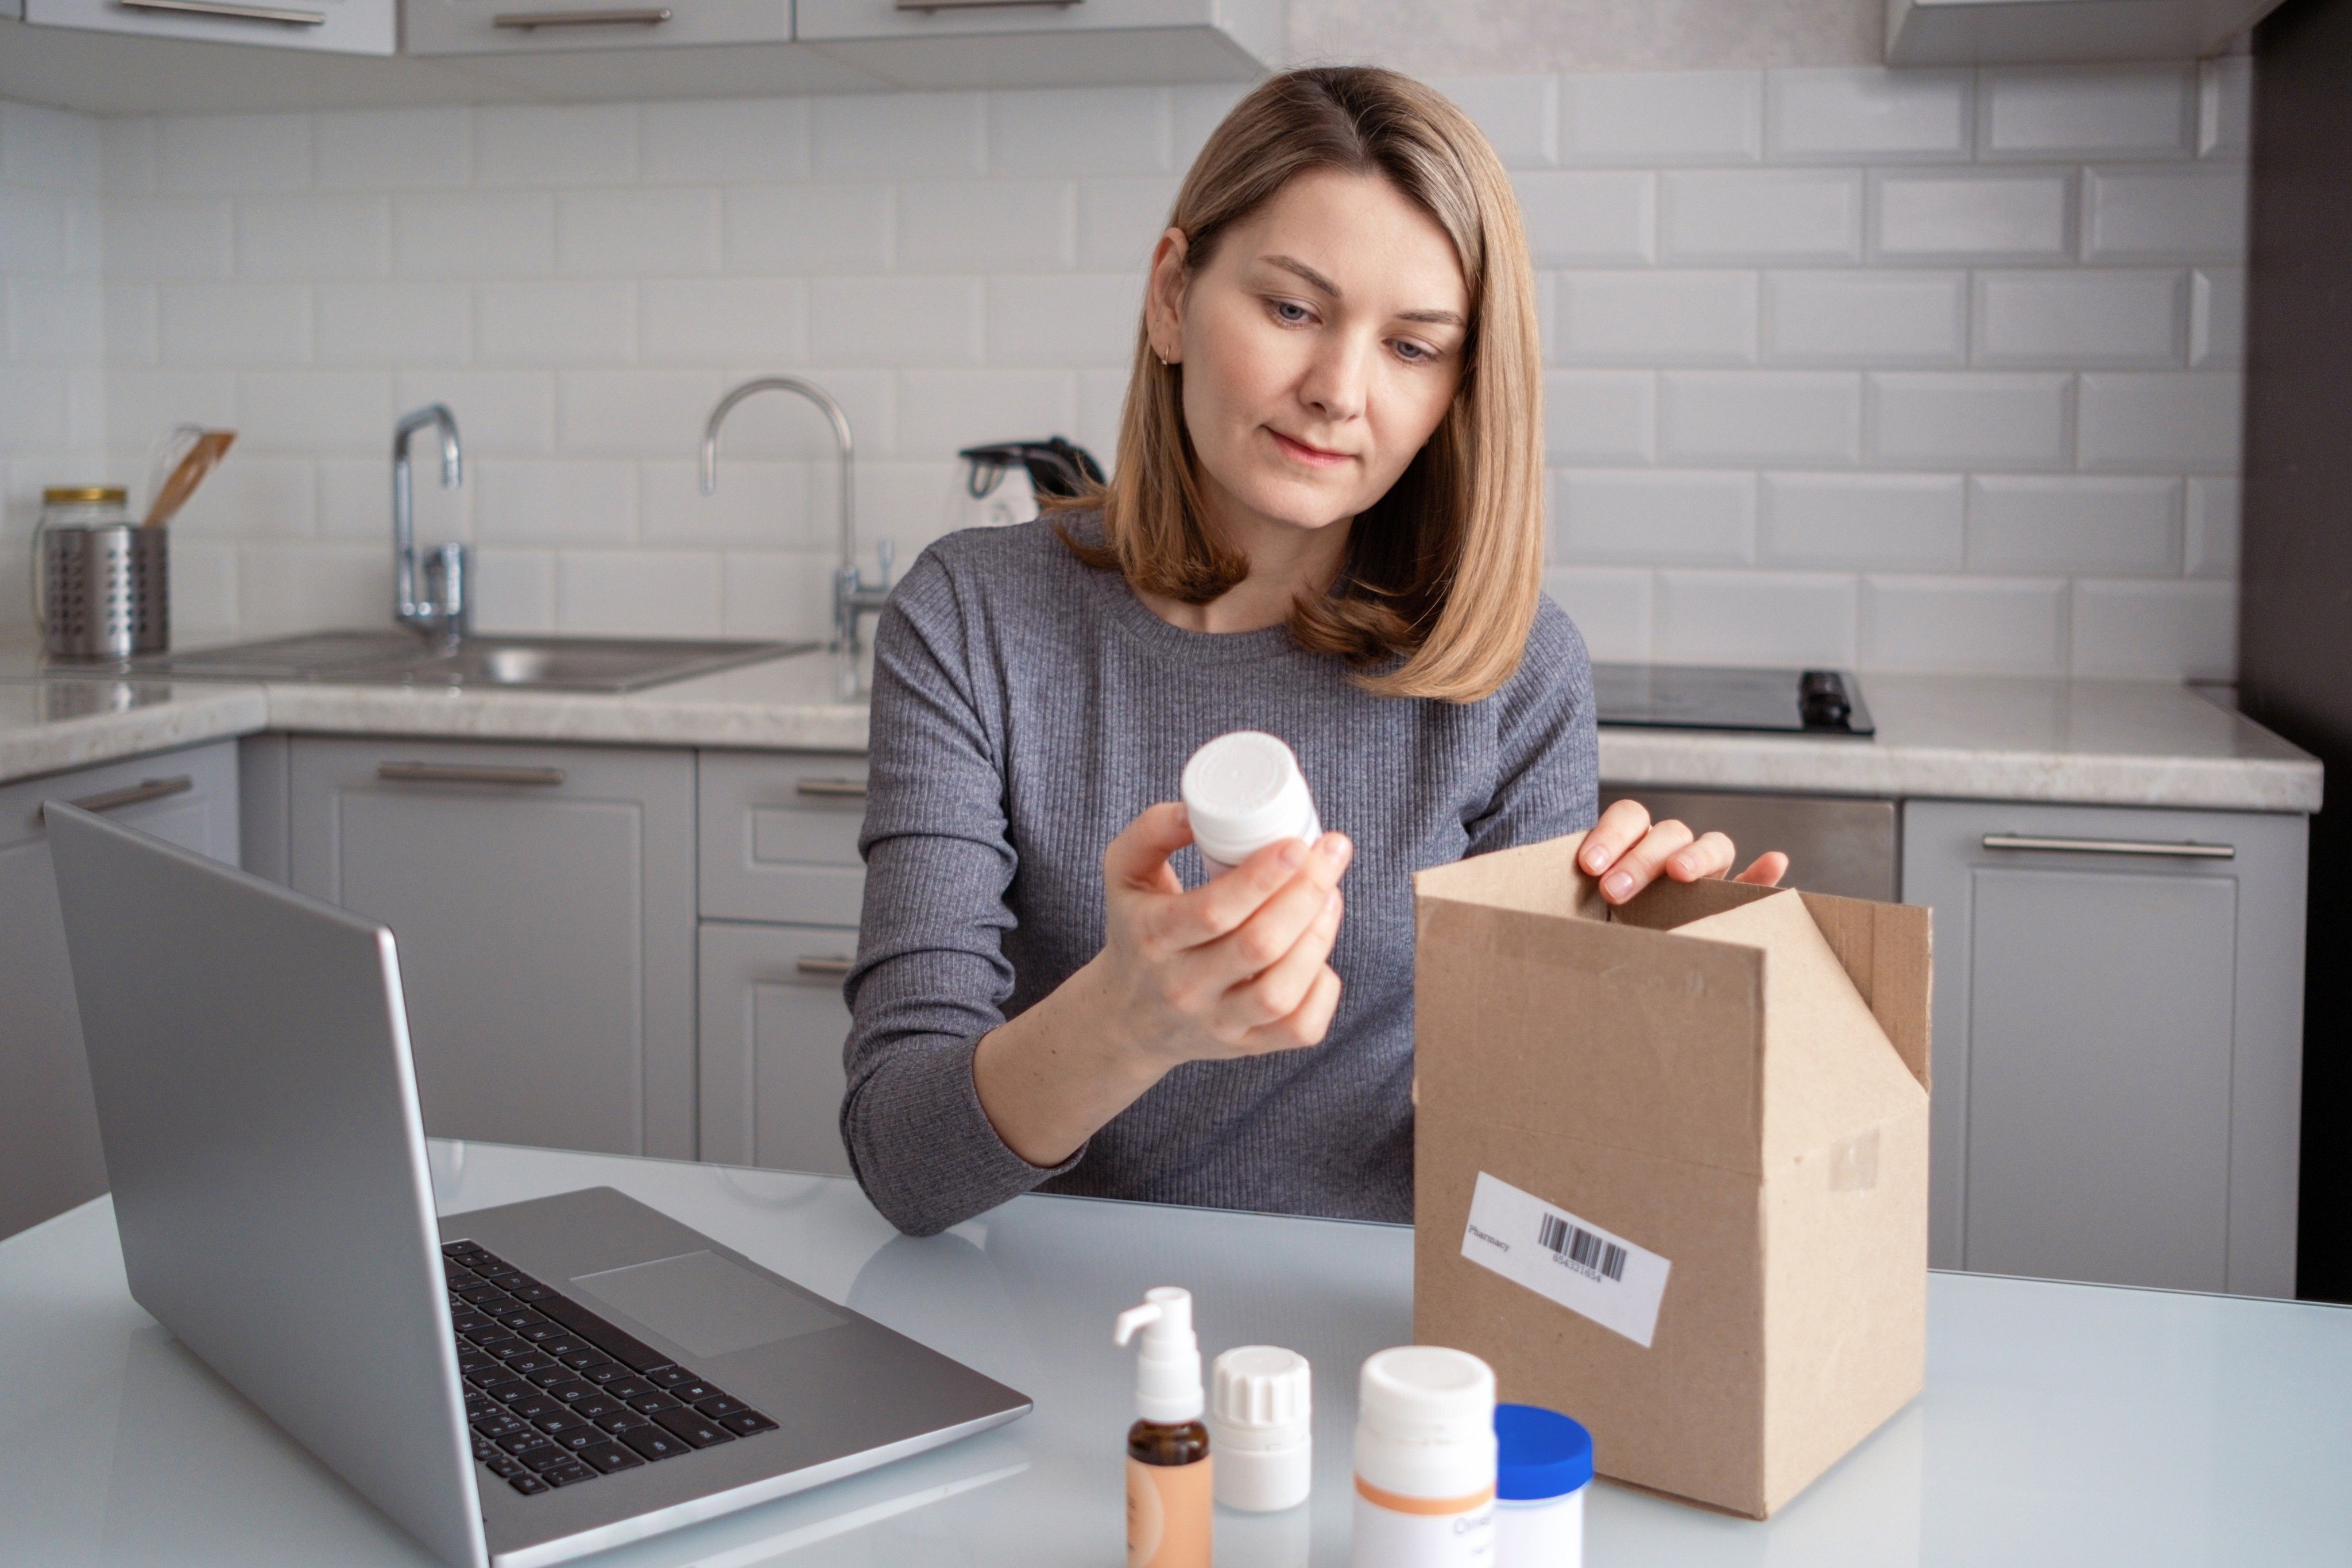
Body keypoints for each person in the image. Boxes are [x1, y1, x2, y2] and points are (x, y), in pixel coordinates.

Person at [841, 66, 1787, 1238]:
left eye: (1411, 346)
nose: (1338, 391)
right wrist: (1127, 1020)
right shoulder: (971, 619)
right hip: (1049, 1324)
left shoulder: (1509, 669)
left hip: (1373, 1340)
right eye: (1291, 310)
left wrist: (1646, 1013)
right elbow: (900, 1158)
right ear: (1172, 295)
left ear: (1459, 388)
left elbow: (1533, 1188)